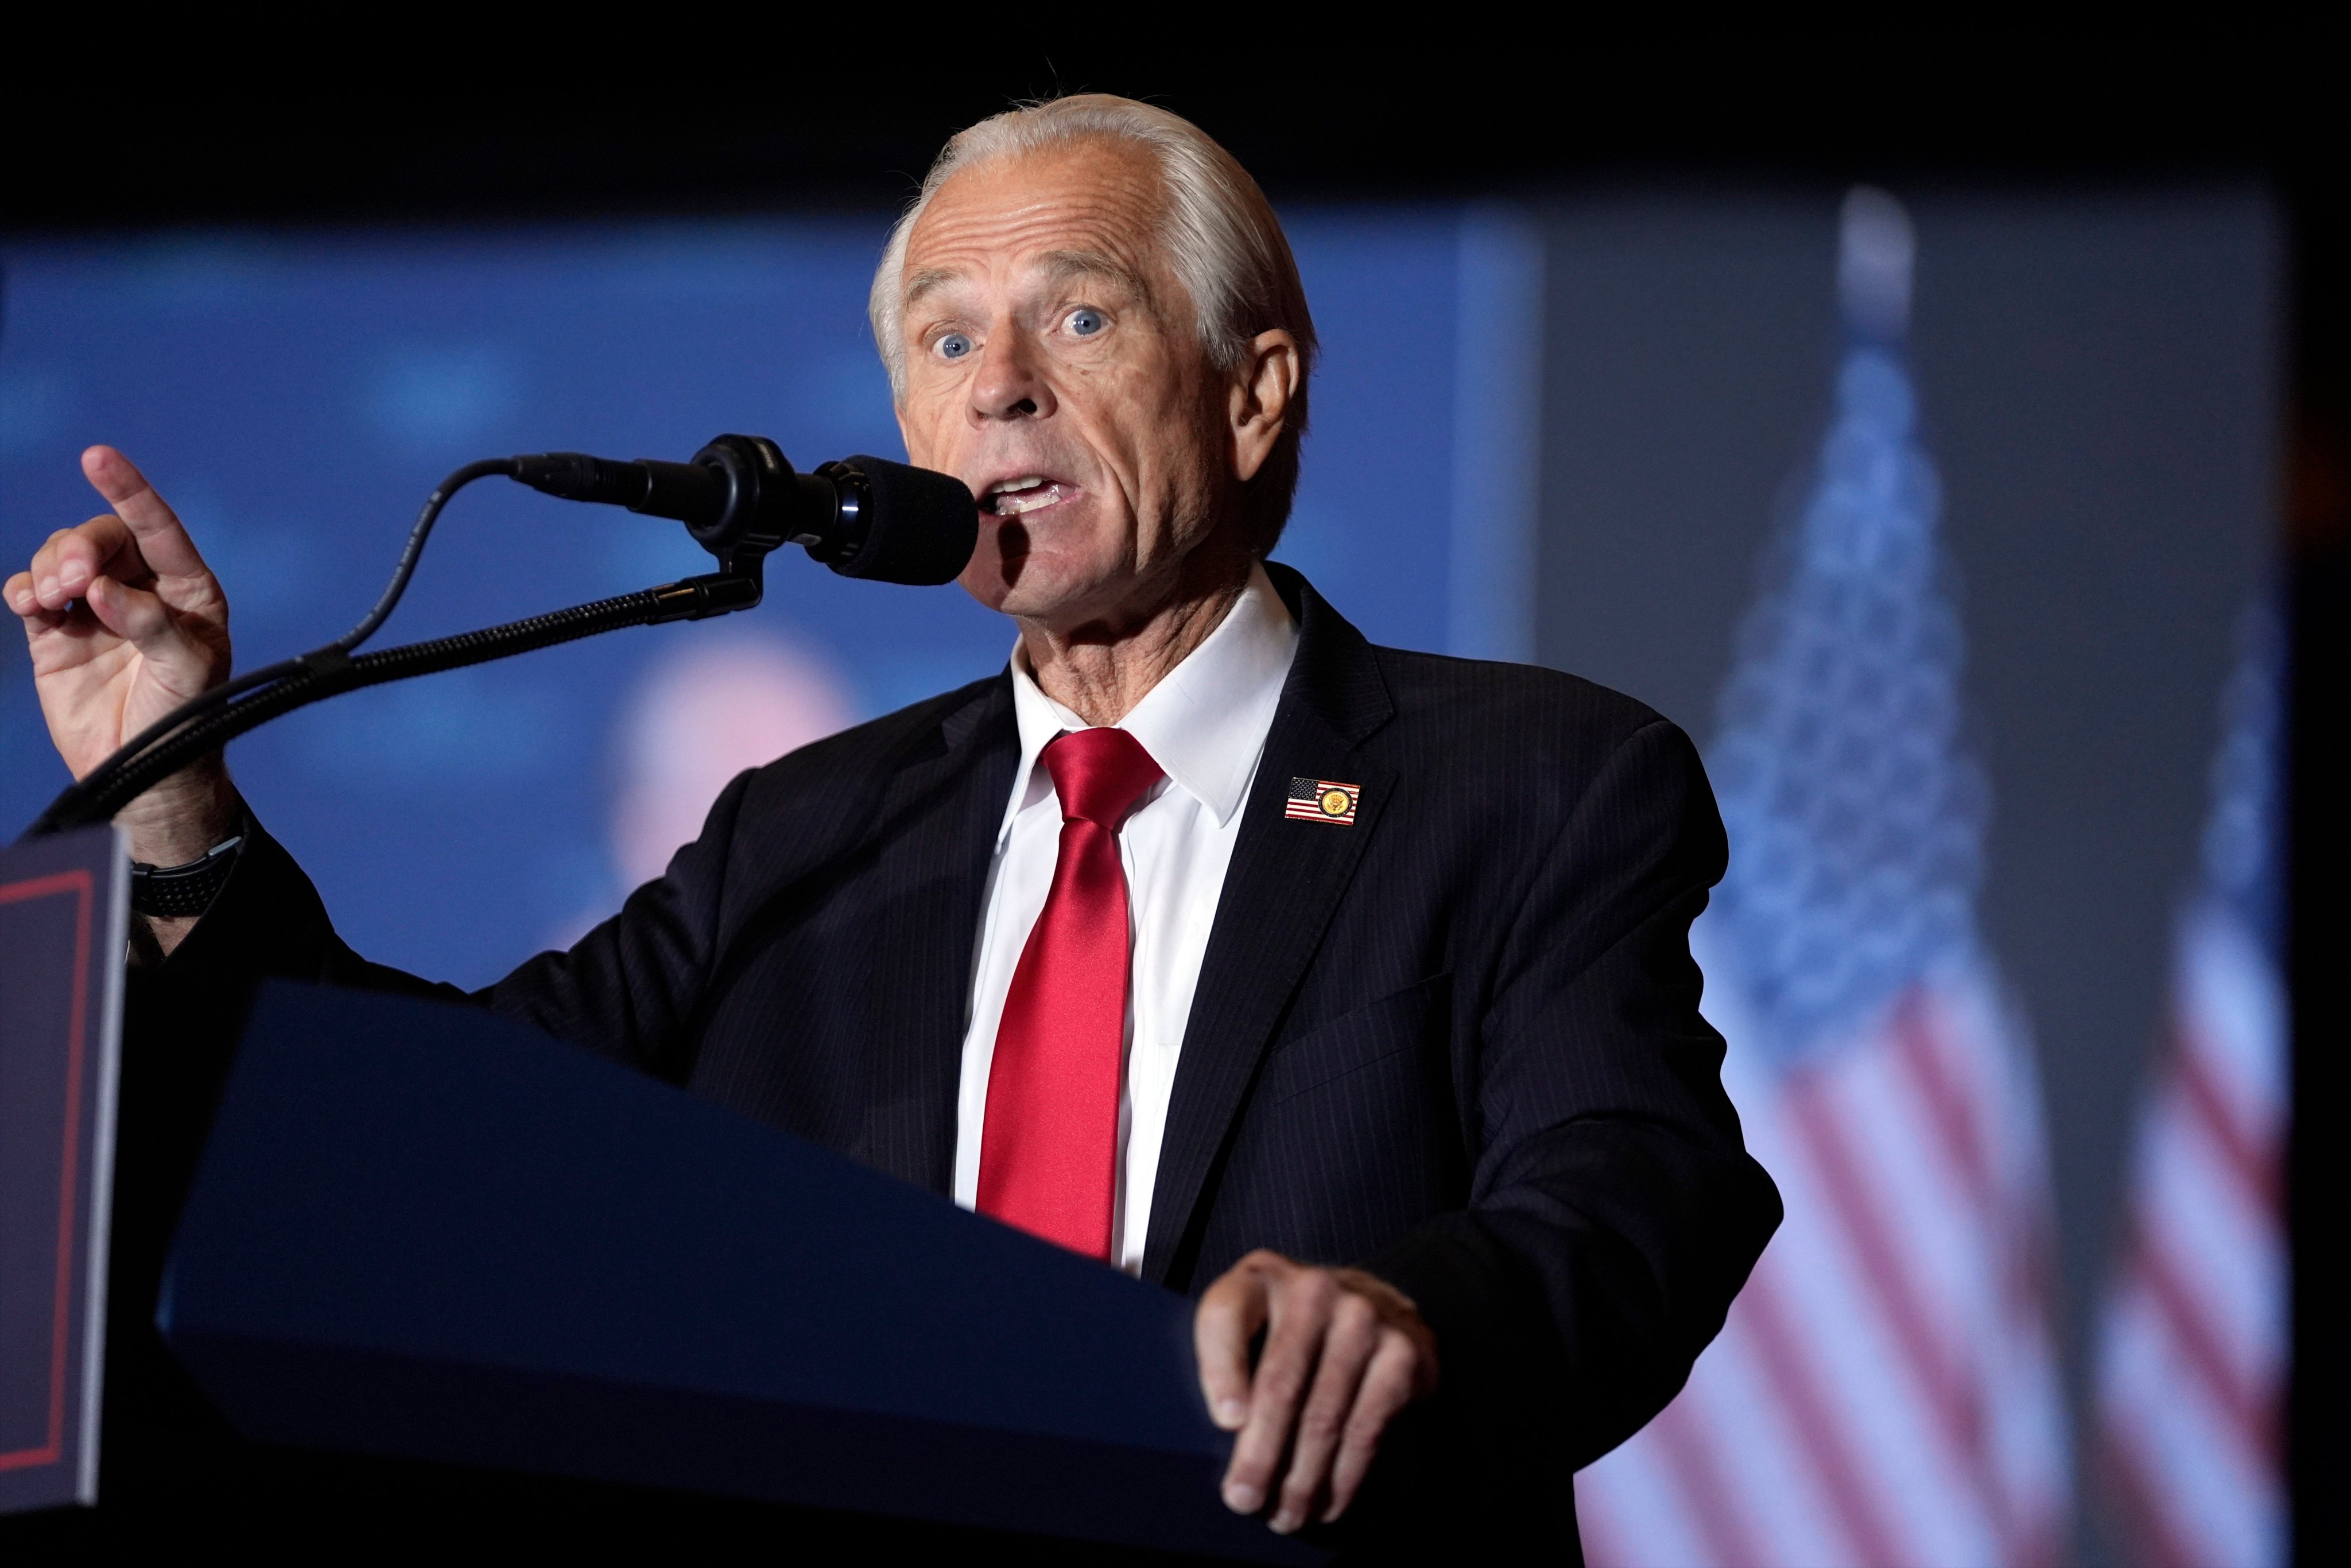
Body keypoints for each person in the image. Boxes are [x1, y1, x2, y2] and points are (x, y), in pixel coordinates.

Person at [7, 95, 1779, 1561]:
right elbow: (443, 1126)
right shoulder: (808, 831)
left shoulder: (1530, 778)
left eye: (1077, 316)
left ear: (1254, 394)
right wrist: (177, 783)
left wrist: (1412, 1312)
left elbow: (1635, 1189)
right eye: (945, 339)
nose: (998, 384)